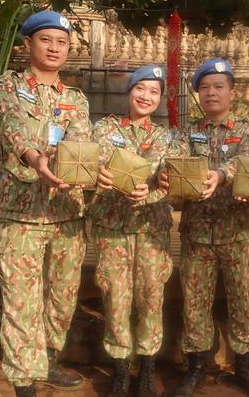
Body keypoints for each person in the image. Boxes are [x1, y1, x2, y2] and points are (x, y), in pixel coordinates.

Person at [0, 10, 90, 397]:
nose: (54, 47)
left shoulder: (76, 100)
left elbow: (82, 147)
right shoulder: (6, 88)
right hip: (22, 211)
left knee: (62, 297)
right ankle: (23, 383)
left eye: (61, 42)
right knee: (21, 300)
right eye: (46, 40)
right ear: (27, 44)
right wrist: (34, 157)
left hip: (65, 211)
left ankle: (49, 360)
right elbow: (10, 127)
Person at [159, 59, 249, 397]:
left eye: (218, 86)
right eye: (205, 88)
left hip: (239, 232)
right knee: (195, 302)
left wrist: (221, 174)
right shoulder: (184, 132)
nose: (211, 92)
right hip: (197, 233)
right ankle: (196, 367)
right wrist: (169, 174)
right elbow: (176, 161)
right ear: (198, 94)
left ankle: (246, 366)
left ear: (232, 92)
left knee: (243, 300)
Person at [88, 64, 173, 397]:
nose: (146, 96)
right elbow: (96, 160)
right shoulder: (105, 129)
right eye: (141, 89)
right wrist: (98, 170)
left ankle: (148, 370)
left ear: (160, 99)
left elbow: (171, 175)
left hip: (151, 229)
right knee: (116, 298)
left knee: (152, 298)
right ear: (130, 92)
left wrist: (155, 189)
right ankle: (122, 370)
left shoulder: (166, 137)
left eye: (154, 92)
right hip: (113, 228)